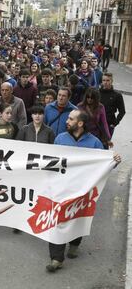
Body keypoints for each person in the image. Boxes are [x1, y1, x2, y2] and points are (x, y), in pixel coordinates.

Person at [46, 109, 121, 272]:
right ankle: (56, 258)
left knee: (77, 218)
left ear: (80, 123)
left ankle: (74, 243)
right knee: (57, 221)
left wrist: (114, 161)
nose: (67, 121)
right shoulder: (60, 139)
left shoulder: (94, 143)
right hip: (61, 189)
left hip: (82, 190)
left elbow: (103, 163)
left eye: (71, 119)